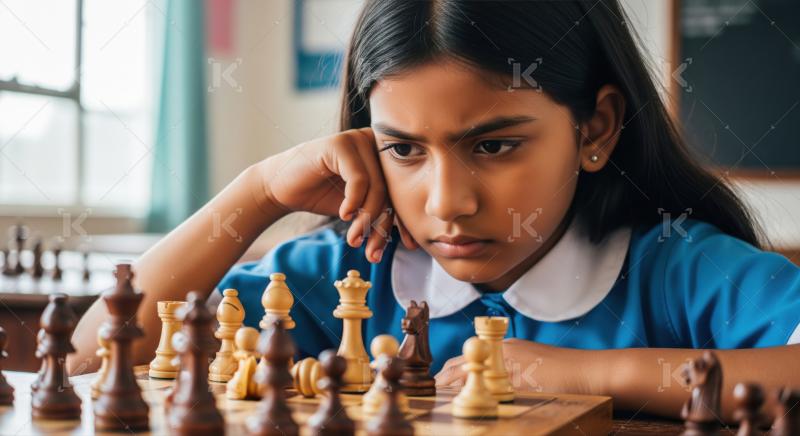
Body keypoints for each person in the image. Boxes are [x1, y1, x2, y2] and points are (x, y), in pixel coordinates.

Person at [71, 0, 800, 422]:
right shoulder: (346, 273)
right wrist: (256, 190)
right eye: (405, 151)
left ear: (596, 129)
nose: (448, 202)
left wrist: (594, 374)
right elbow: (95, 355)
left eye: (494, 146)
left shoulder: (678, 269)